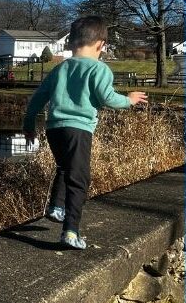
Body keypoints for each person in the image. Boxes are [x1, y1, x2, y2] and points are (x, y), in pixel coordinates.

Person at [23, 16, 148, 249]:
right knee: (79, 179)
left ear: (71, 42)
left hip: (54, 129)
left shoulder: (59, 69)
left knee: (64, 167)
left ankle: (56, 207)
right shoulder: (99, 69)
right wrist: (129, 100)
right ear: (101, 45)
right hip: (79, 130)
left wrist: (29, 126)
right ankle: (70, 231)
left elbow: (36, 100)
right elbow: (107, 98)